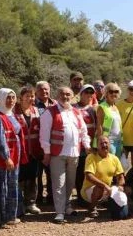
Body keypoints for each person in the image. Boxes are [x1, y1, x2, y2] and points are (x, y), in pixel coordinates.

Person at [40, 86, 91, 224]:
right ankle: (59, 212)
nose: (65, 97)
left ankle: (67, 206)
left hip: (74, 153)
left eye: (68, 94)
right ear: (57, 95)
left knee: (70, 182)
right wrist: (47, 152)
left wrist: (87, 145)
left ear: (73, 96)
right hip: (57, 153)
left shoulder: (76, 112)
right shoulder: (49, 112)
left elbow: (83, 131)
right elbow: (44, 134)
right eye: (62, 94)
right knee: (59, 183)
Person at [0, 88, 24, 227]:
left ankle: (10, 215)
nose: (11, 100)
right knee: (0, 187)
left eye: (13, 97)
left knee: (11, 185)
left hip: (14, 155)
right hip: (1, 158)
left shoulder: (11, 115)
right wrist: (6, 157)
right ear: (0, 99)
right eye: (8, 97)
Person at [81, 136, 127, 219]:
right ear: (97, 146)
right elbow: (89, 176)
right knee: (99, 188)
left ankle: (114, 206)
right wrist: (105, 186)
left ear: (109, 145)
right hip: (89, 190)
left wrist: (120, 186)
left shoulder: (114, 158)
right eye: (101, 143)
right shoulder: (91, 157)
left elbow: (121, 176)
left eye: (106, 143)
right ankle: (92, 208)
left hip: (106, 189)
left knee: (127, 190)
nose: (104, 145)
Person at [14, 86, 42, 214]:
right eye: (27, 96)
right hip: (20, 151)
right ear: (20, 98)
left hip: (34, 151)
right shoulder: (14, 111)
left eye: (32, 96)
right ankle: (19, 204)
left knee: (32, 177)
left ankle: (31, 203)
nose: (30, 98)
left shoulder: (35, 110)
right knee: (20, 178)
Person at [74, 84, 98, 205]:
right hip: (78, 145)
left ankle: (90, 196)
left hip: (91, 145)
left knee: (89, 171)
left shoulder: (94, 109)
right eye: (86, 93)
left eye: (91, 93)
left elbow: (98, 126)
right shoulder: (73, 108)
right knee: (79, 172)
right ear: (81, 94)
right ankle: (80, 196)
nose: (89, 95)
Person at [95, 82, 123, 157]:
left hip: (118, 142)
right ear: (106, 93)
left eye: (116, 91)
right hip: (108, 142)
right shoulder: (102, 107)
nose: (114, 94)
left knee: (116, 162)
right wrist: (101, 142)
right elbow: (99, 126)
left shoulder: (116, 108)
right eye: (111, 91)